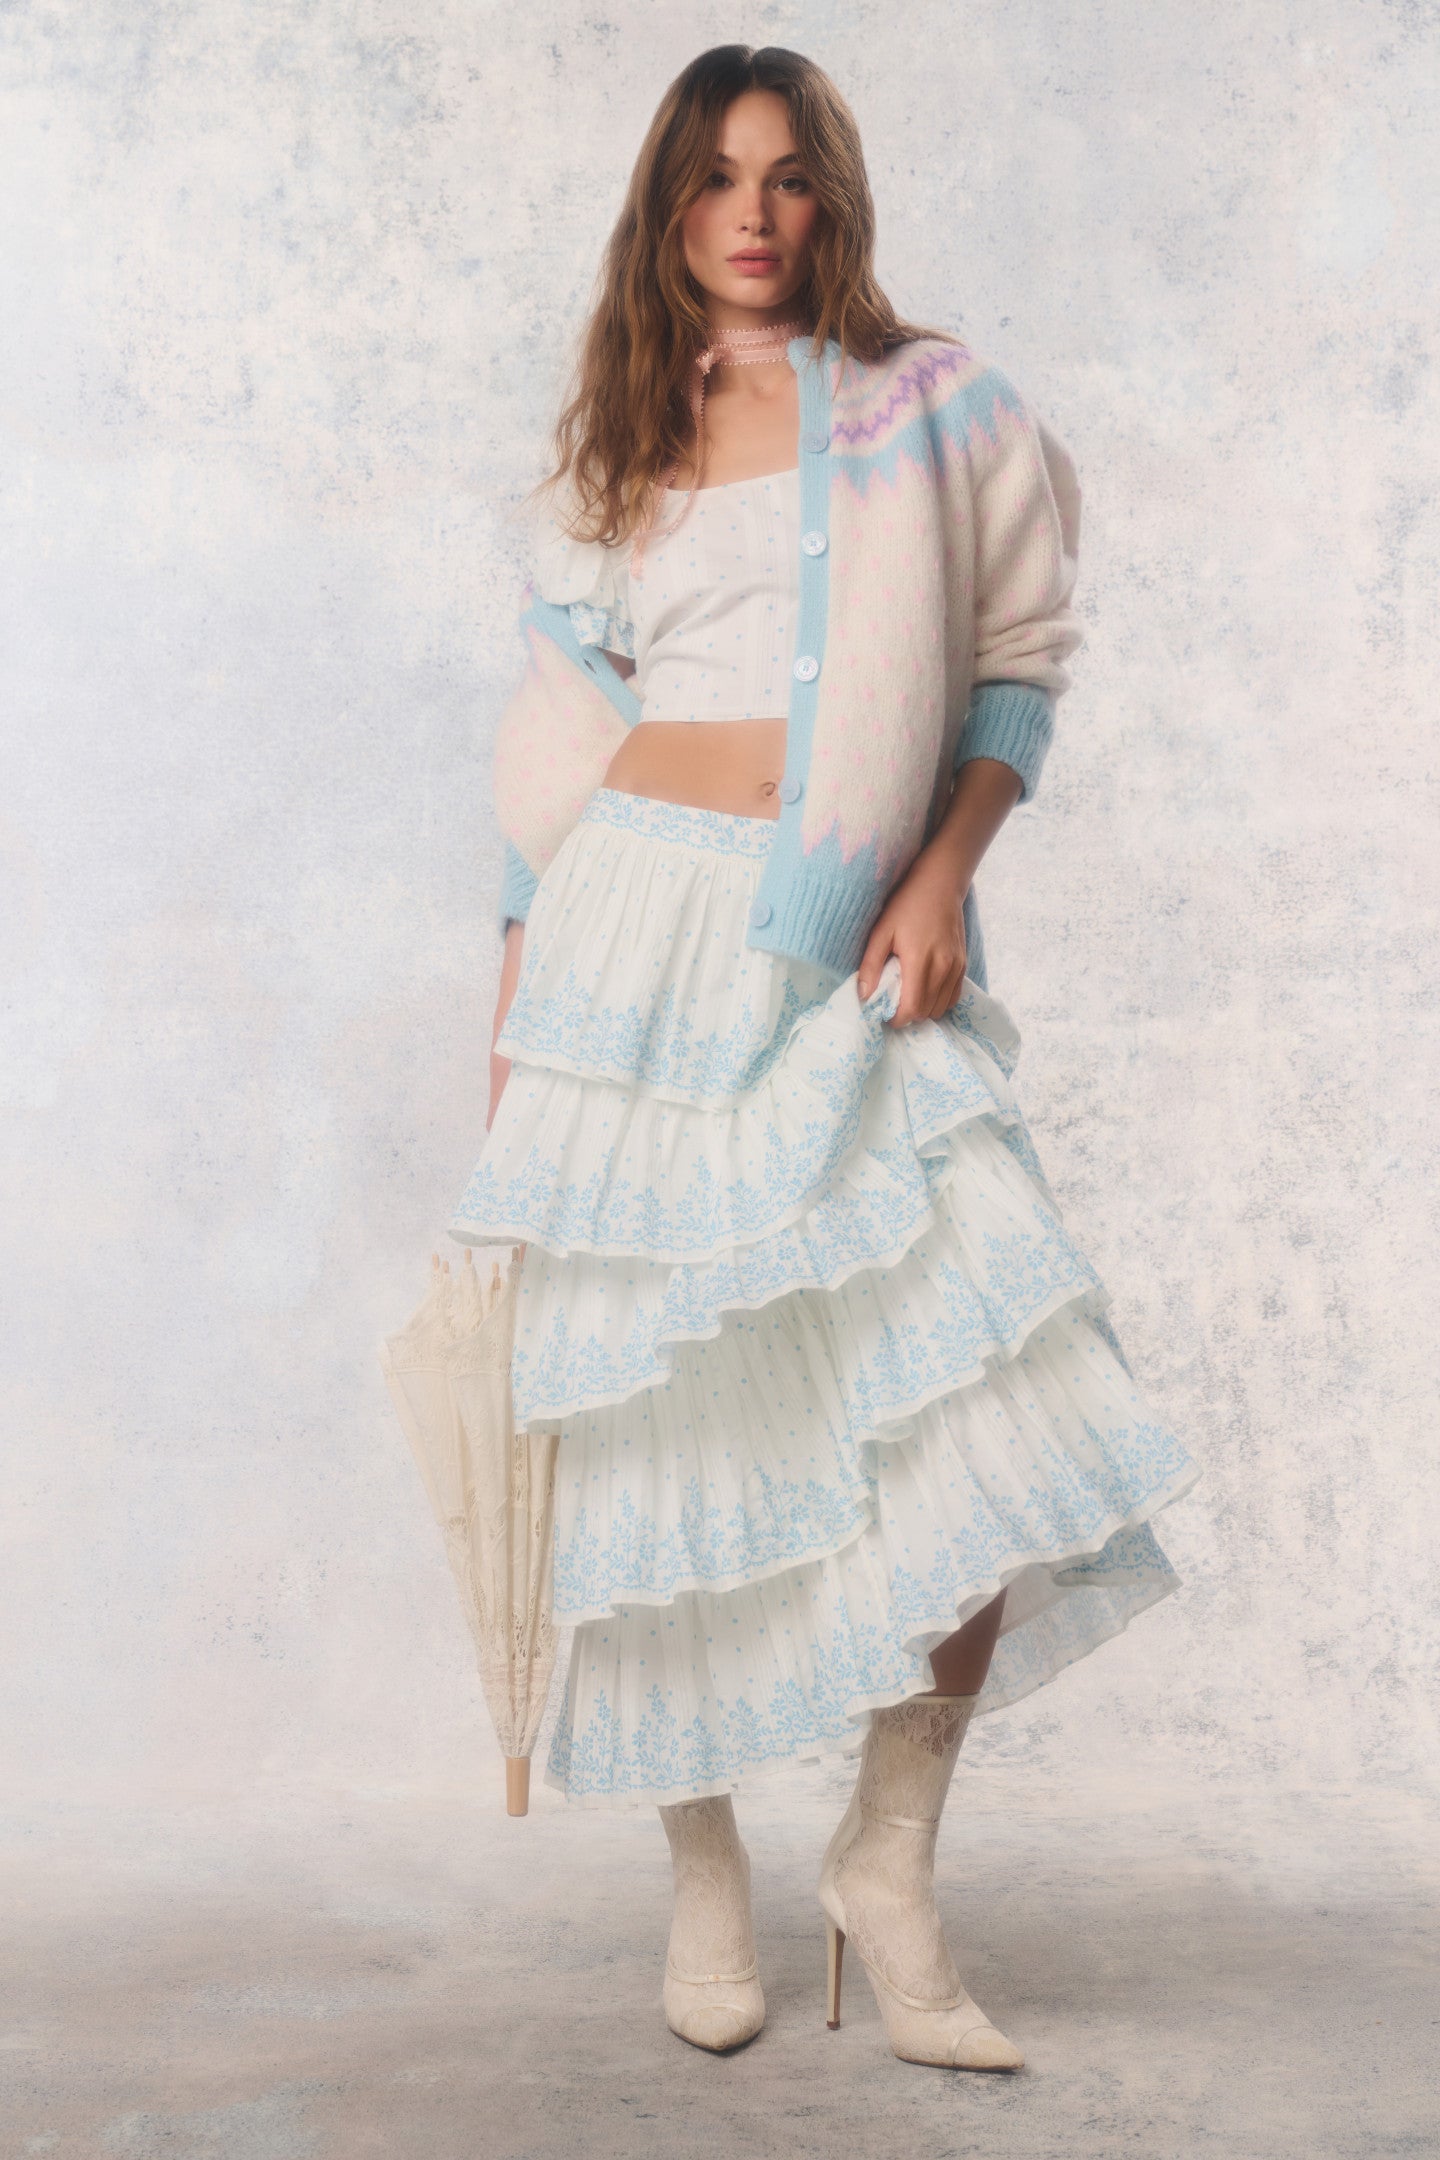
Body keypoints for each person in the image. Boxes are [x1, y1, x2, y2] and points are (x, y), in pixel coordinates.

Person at [449, 44, 1201, 2071]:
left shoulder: (933, 409)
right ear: (669, 207)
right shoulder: (613, 443)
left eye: (785, 177)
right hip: (631, 942)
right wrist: (517, 1025)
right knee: (657, 1426)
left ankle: (890, 1852)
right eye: (716, 178)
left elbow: (1015, 675)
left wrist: (941, 876)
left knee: (977, 1389)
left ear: (830, 198)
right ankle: (702, 1865)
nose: (753, 214)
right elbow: (546, 762)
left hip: (856, 943)